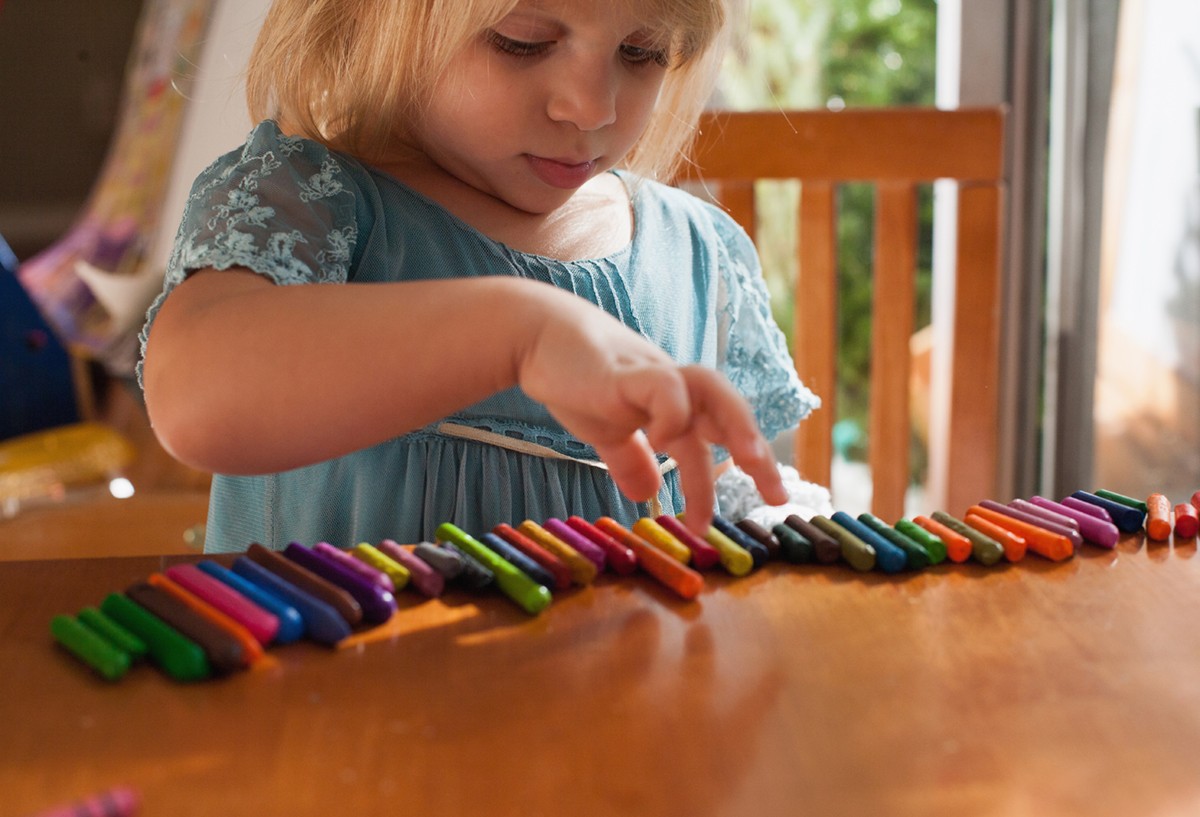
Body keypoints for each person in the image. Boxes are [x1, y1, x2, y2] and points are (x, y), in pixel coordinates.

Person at [138, 0, 820, 554]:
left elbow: (721, 486)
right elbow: (194, 397)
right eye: (521, 41)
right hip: (348, 716)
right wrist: (519, 333)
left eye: (640, 52)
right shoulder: (312, 202)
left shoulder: (698, 250)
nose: (592, 107)